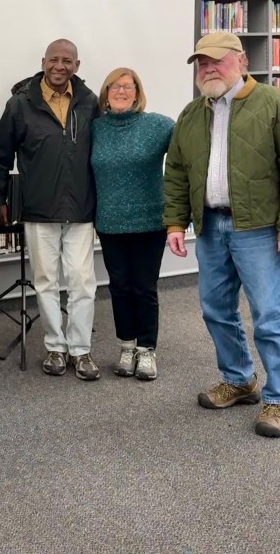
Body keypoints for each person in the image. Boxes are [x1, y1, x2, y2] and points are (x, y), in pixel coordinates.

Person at [164, 31, 280, 438]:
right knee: (216, 309)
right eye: (201, 62)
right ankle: (239, 379)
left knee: (269, 315)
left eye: (216, 60)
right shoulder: (192, 114)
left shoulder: (276, 105)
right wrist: (177, 222)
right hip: (212, 227)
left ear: (241, 60)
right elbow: (177, 172)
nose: (208, 68)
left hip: (262, 230)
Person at [0, 39, 101, 380]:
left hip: (81, 209)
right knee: (45, 282)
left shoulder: (90, 102)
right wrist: (2, 200)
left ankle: (81, 351)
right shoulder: (20, 104)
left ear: (77, 66)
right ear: (43, 61)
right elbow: (0, 155)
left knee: (83, 283)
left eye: (67, 60)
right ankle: (55, 346)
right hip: (39, 210)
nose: (60, 66)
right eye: (54, 59)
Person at [90, 68, 174, 382]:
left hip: (151, 221)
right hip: (110, 223)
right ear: (106, 93)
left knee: (144, 287)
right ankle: (126, 347)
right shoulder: (95, 128)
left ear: (137, 92)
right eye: (115, 86)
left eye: (128, 86)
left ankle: (147, 351)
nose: (121, 91)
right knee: (120, 287)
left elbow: (186, 158)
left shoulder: (159, 125)